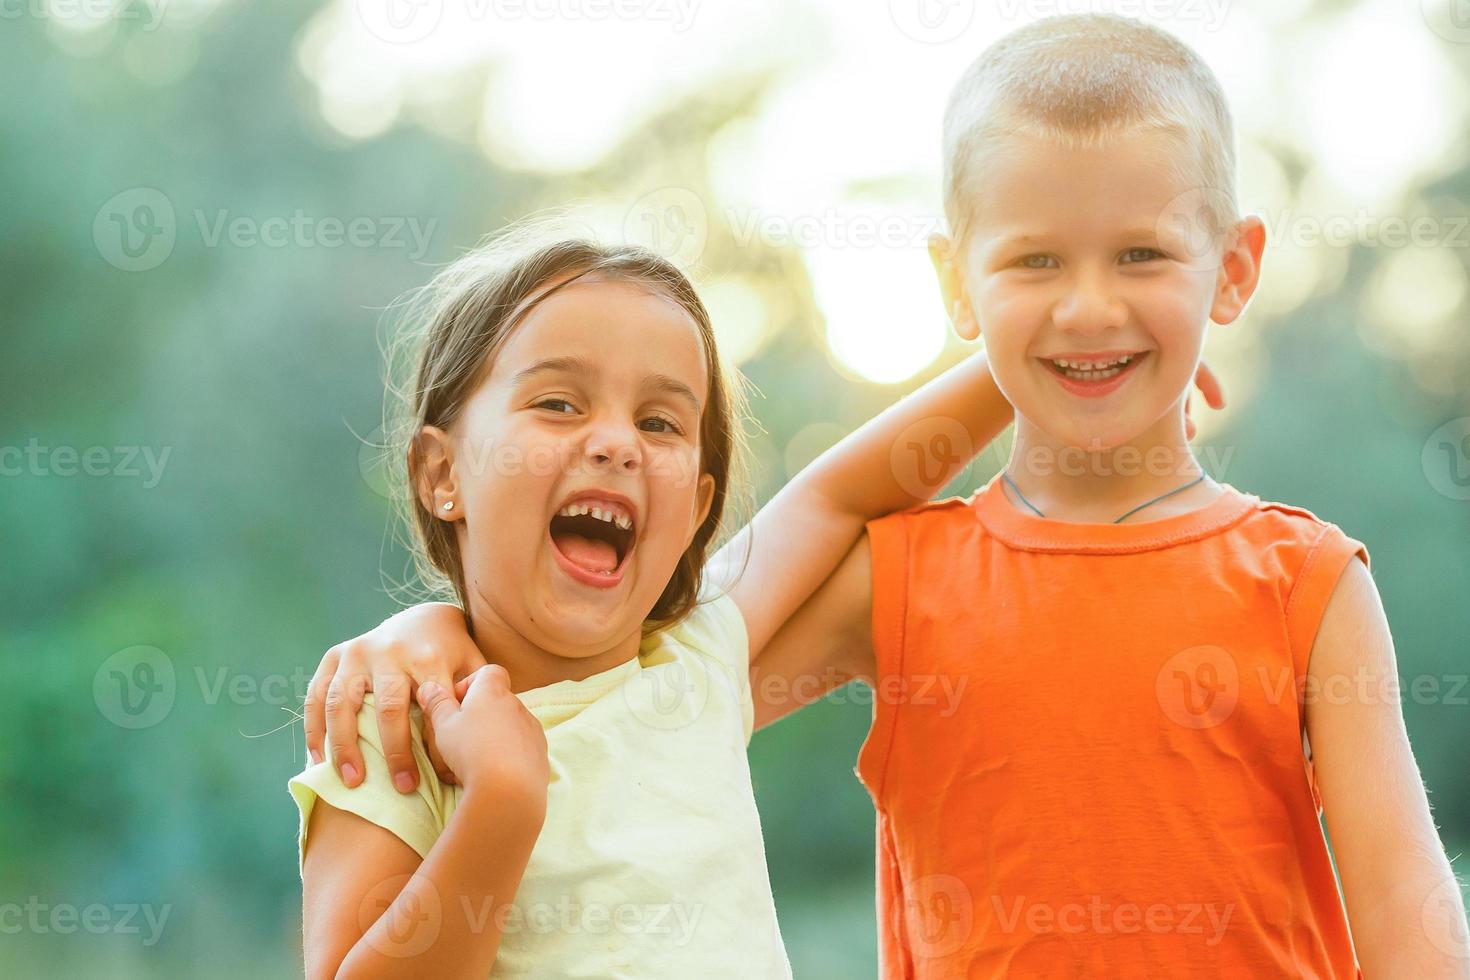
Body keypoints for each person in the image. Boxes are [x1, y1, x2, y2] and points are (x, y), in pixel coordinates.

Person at [306, 14, 1470, 976]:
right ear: (956, 286)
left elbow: (1412, 921)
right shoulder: (901, 582)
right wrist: (429, 629)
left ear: (1234, 269)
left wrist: (1042, 351)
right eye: (1033, 264)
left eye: (1143, 258)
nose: (1087, 309)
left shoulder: (1307, 583)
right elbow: (609, 660)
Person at [289, 230, 1027, 977]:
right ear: (441, 472)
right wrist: (501, 809)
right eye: (558, 403)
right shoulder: (395, 728)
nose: (618, 442)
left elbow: (835, 497)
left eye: (659, 423)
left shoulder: (701, 656)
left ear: (696, 509)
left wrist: (1026, 356)